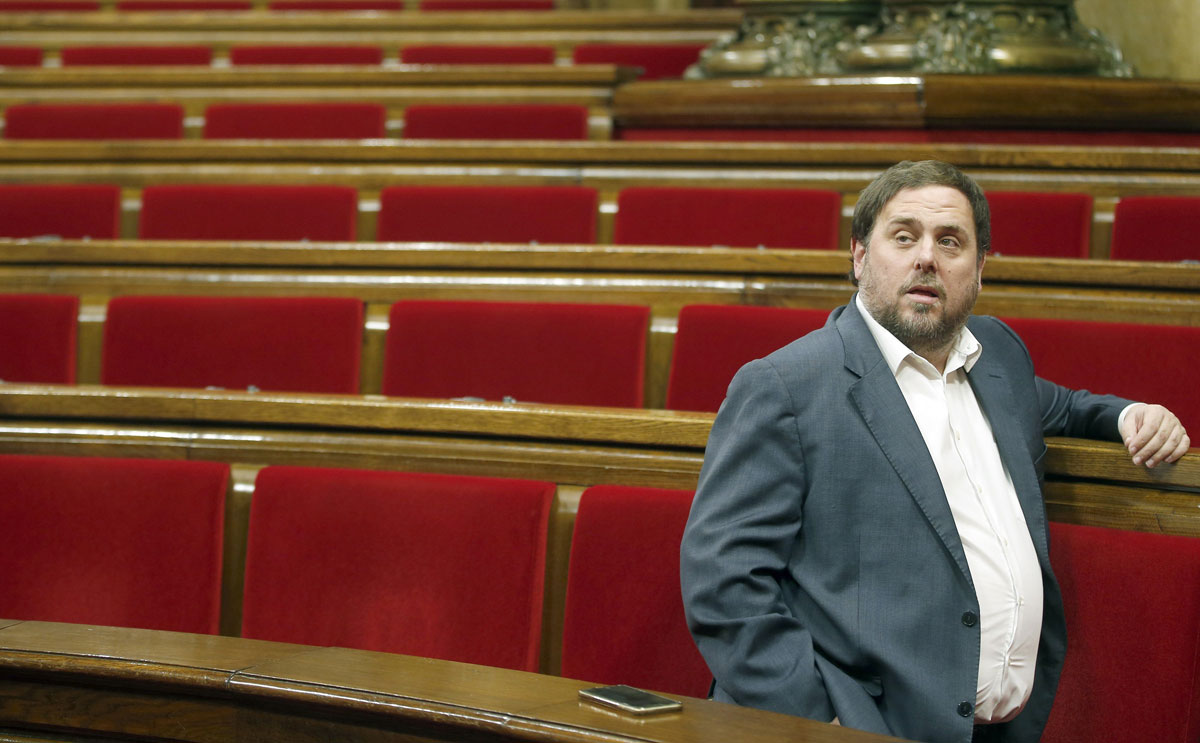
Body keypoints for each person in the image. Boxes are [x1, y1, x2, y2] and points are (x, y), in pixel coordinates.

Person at [679, 160, 1189, 743]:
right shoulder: (785, 385)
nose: (927, 257)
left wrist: (1131, 415)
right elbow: (724, 583)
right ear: (859, 255)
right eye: (904, 236)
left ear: (979, 271)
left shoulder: (997, 355)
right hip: (858, 724)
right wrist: (823, 723)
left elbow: (1067, 406)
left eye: (951, 241)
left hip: (998, 728)